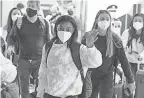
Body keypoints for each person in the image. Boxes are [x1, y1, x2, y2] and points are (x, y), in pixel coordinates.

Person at [36, 15, 102, 98]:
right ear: (56, 28)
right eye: (61, 28)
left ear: (73, 30)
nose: (64, 31)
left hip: (71, 95)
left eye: (68, 29)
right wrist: (40, 94)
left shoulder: (78, 48)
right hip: (50, 95)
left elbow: (96, 62)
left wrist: (90, 46)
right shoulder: (48, 47)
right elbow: (43, 71)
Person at [82, 10, 135, 98]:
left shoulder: (115, 39)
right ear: (96, 20)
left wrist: (131, 80)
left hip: (107, 75)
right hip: (91, 75)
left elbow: (123, 60)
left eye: (107, 19)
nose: (105, 21)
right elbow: (82, 57)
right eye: (102, 19)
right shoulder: (88, 36)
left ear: (110, 21)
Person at [7, 0, 50, 98]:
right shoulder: (19, 21)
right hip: (23, 59)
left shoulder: (44, 23)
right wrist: (11, 45)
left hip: (40, 60)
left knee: (41, 87)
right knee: (24, 88)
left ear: (38, 8)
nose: (30, 8)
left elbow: (48, 41)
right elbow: (11, 37)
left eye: (33, 6)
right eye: (28, 5)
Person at [122, 13, 144, 98]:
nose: (137, 22)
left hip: (141, 64)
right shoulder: (127, 33)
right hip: (129, 63)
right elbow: (122, 46)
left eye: (140, 21)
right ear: (132, 22)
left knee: (140, 86)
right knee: (129, 85)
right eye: (135, 20)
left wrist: (142, 55)